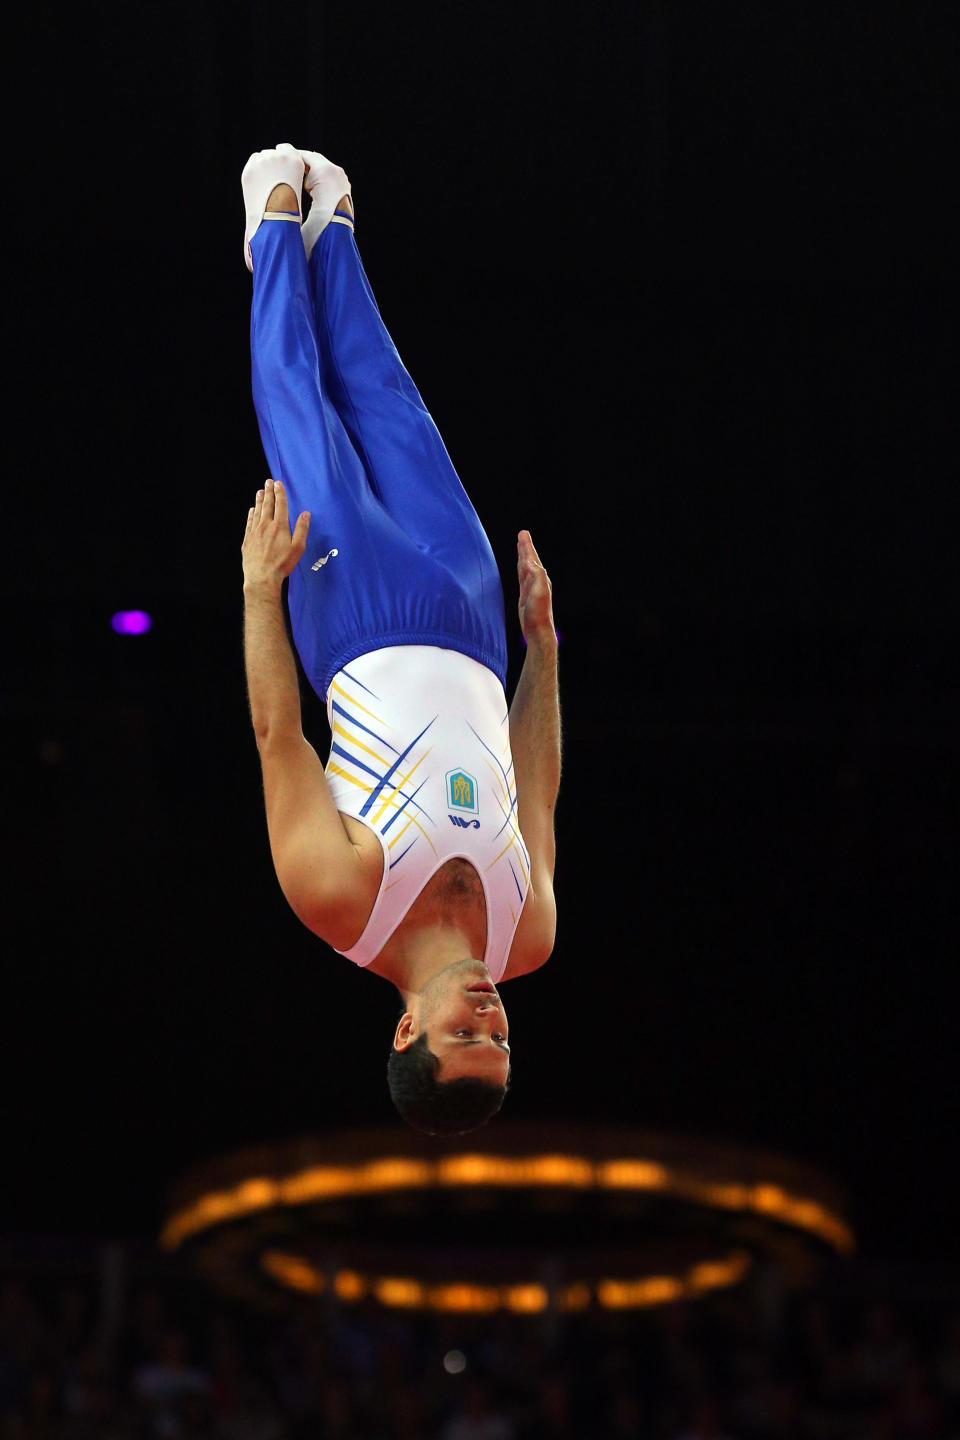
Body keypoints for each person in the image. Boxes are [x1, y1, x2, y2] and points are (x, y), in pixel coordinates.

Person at [239, 144, 560, 1135]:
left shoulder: (342, 901)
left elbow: (277, 740)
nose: (490, 1022)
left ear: (405, 1031)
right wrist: (541, 650)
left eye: (465, 1038)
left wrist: (260, 595)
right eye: (500, 1043)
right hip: (470, 627)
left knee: (309, 422)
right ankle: (333, 231)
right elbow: (537, 781)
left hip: (356, 623)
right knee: (393, 408)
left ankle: (270, 226)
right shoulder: (529, 931)